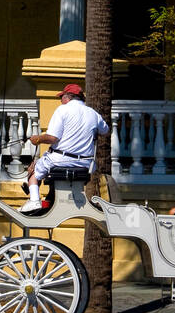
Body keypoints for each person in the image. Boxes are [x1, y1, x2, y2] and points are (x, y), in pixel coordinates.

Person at [20, 84, 109, 216]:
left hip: (61, 160)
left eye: (61, 97)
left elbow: (52, 138)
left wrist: (37, 139)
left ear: (68, 97)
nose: (61, 100)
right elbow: (105, 130)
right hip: (85, 163)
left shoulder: (63, 110)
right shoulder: (93, 114)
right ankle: (48, 198)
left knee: (33, 170)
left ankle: (34, 200)